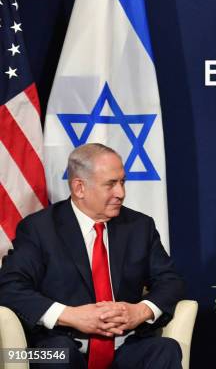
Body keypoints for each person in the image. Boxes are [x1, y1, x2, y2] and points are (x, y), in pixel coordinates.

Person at [0, 143, 185, 369]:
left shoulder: (139, 226)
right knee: (56, 355)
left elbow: (170, 281)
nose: (121, 193)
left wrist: (140, 311)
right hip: (56, 346)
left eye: (122, 182)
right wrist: (69, 315)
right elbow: (9, 287)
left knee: (166, 349)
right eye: (111, 184)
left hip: (123, 346)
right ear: (79, 188)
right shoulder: (39, 228)